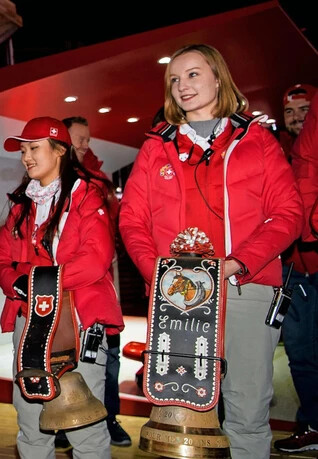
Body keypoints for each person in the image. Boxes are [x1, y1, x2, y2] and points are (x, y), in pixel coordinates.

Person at [119, 44, 302, 459]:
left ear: (218, 77)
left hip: (244, 287)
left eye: (193, 74)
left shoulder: (257, 141)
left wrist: (237, 263)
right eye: (174, 79)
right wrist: (160, 275)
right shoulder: (155, 148)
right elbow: (132, 221)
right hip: (177, 299)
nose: (182, 86)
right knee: (180, 419)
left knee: (247, 408)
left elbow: (289, 213)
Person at [0, 116, 122, 459]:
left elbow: (96, 259)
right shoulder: (21, 204)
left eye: (33, 148)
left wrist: (33, 279)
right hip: (28, 321)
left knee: (86, 426)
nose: (25, 157)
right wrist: (21, 280)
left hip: (78, 321)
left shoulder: (86, 195)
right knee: (31, 425)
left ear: (59, 150)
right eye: (22, 150)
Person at [62, 114, 130, 447]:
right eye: (80, 139)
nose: (86, 144)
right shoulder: (50, 180)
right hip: (61, 289)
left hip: (99, 281)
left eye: (88, 139)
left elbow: (110, 227)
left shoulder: (98, 179)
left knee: (108, 356)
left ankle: (110, 417)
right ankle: (62, 421)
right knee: (63, 356)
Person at [274, 84, 318, 454]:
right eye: (290, 112)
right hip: (293, 270)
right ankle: (313, 425)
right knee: (300, 354)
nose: (298, 117)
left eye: (305, 109)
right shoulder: (275, 155)